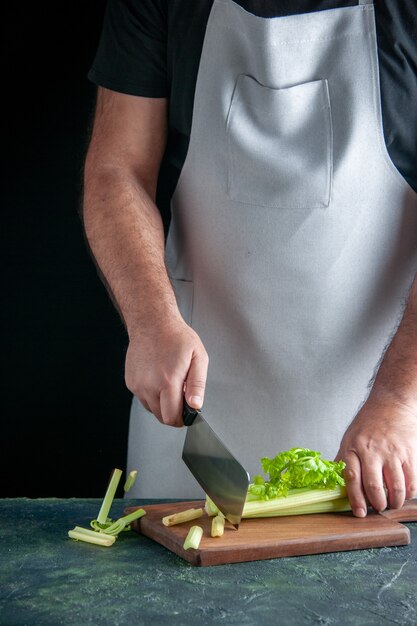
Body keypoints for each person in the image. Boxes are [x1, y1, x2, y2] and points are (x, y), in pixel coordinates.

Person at [82, 0, 417, 514]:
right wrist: (150, 320)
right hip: (192, 420)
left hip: (383, 436)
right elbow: (116, 170)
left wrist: (399, 400)